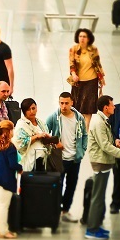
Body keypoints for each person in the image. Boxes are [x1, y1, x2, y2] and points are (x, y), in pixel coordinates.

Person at [85, 95, 120, 240]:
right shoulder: (99, 122)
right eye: (112, 105)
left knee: (98, 196)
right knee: (97, 198)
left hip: (103, 162)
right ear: (106, 107)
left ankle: (96, 226)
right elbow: (104, 146)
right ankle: (92, 230)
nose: (114, 107)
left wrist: (115, 140)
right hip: (100, 163)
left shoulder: (102, 120)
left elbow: (106, 140)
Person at [45, 92, 89, 223]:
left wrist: (82, 150)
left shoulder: (79, 118)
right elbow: (45, 134)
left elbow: (85, 135)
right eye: (61, 103)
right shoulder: (54, 117)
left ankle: (65, 210)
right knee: (57, 185)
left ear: (72, 103)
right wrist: (55, 144)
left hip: (75, 159)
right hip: (59, 159)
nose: (63, 106)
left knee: (71, 185)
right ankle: (56, 209)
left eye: (66, 103)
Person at [0, 120, 22, 238]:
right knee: (4, 205)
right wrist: (20, 168)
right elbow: (12, 164)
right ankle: (4, 231)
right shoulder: (10, 146)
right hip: (6, 179)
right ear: (9, 130)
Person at [69, 28, 105, 129]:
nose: (82, 39)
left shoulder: (93, 50)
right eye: (80, 36)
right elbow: (71, 64)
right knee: (78, 105)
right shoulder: (74, 49)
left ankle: (86, 128)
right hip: (78, 82)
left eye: (84, 37)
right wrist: (73, 74)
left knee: (88, 107)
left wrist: (101, 79)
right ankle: (78, 127)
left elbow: (98, 64)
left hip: (91, 81)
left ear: (88, 38)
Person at [12, 98, 52, 172]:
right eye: (28, 109)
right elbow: (19, 143)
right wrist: (36, 137)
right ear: (24, 112)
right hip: (31, 160)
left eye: (33, 108)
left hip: (44, 158)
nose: (32, 111)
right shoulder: (21, 124)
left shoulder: (41, 123)